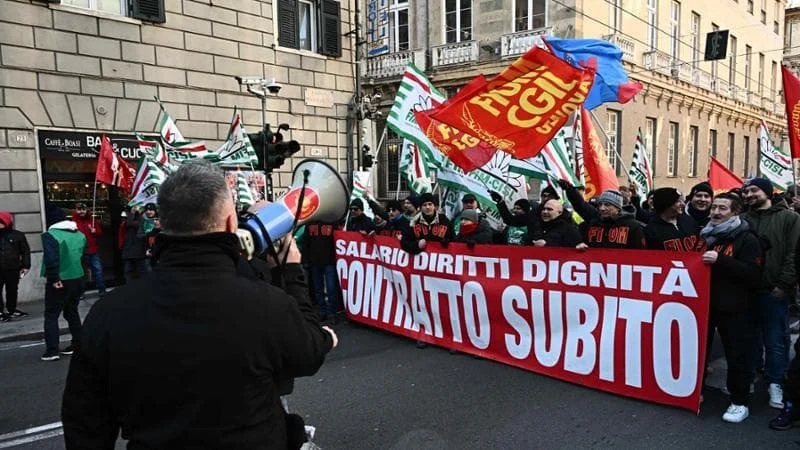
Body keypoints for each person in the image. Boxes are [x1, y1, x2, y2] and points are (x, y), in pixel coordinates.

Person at [62, 160, 338, 449]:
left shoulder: (108, 313)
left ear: (162, 222)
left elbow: (85, 423)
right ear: (230, 223)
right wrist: (291, 272)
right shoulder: (268, 305)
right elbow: (308, 355)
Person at [698, 193, 763, 423]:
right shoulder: (705, 235)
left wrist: (721, 260)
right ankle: (695, 392)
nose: (716, 212)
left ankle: (739, 401)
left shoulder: (747, 239)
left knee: (737, 355)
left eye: (722, 208)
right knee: (699, 351)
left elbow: (753, 274)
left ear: (735, 212)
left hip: (736, 307)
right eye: (714, 207)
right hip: (705, 305)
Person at [741, 177, 800, 410]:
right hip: (746, 290)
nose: (749, 195)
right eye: (746, 192)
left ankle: (776, 381)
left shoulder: (789, 218)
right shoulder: (742, 219)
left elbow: (794, 253)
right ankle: (751, 375)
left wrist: (784, 284)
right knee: (749, 337)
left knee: (775, 339)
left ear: (767, 192)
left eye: (754, 190)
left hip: (774, 289)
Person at [40, 207, 87, 361]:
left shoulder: (50, 235)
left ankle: (52, 350)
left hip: (60, 278)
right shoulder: (80, 235)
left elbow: (51, 259)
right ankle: (78, 344)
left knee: (51, 315)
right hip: (77, 276)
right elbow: (84, 258)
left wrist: (54, 278)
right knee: (71, 311)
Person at [573, 189, 646, 250]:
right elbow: (585, 244)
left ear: (618, 208)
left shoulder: (633, 226)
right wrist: (582, 246)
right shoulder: (593, 224)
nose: (602, 208)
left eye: (607, 205)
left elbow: (639, 253)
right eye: (600, 204)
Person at [302, 221, 342, 322]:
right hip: (316, 261)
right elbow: (306, 242)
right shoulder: (310, 223)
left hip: (329, 261)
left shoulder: (332, 222)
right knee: (319, 288)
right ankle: (323, 312)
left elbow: (338, 240)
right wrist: (306, 259)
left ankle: (331, 312)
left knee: (330, 288)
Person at [644, 187, 699, 251]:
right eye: (678, 201)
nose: (683, 204)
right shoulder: (652, 230)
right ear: (666, 204)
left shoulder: (689, 221)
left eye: (682, 200)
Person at [0, 211, 31, 321]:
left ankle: (11, 310)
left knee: (12, 290)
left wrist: (26, 266)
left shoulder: (18, 235)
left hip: (12, 268)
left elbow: (25, 251)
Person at [71, 203, 105, 296]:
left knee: (98, 270)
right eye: (79, 209)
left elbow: (100, 233)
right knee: (81, 273)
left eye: (83, 209)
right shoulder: (73, 223)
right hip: (79, 251)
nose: (82, 211)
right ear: (76, 210)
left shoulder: (92, 220)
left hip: (92, 250)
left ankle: (101, 290)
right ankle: (81, 292)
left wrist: (95, 231)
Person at [121, 206, 148, 281]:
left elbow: (133, 224)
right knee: (128, 272)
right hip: (128, 248)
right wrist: (130, 213)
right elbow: (126, 223)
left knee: (140, 272)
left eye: (136, 206)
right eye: (133, 206)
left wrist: (134, 213)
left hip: (138, 249)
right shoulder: (125, 215)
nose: (135, 208)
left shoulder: (141, 217)